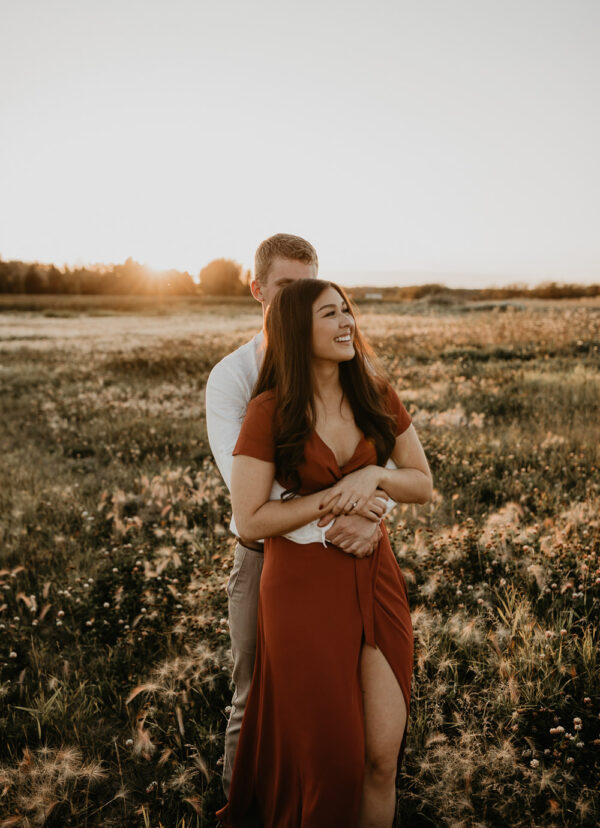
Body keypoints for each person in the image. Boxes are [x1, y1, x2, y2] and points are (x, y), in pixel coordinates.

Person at [216, 278, 432, 828]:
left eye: (347, 312)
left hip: (375, 577)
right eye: (330, 315)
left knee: (382, 758)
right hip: (301, 590)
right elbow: (251, 517)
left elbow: (421, 483)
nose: (346, 324)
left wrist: (373, 476)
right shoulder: (268, 410)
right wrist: (336, 502)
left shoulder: (375, 393)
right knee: (331, 762)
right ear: (295, 330)